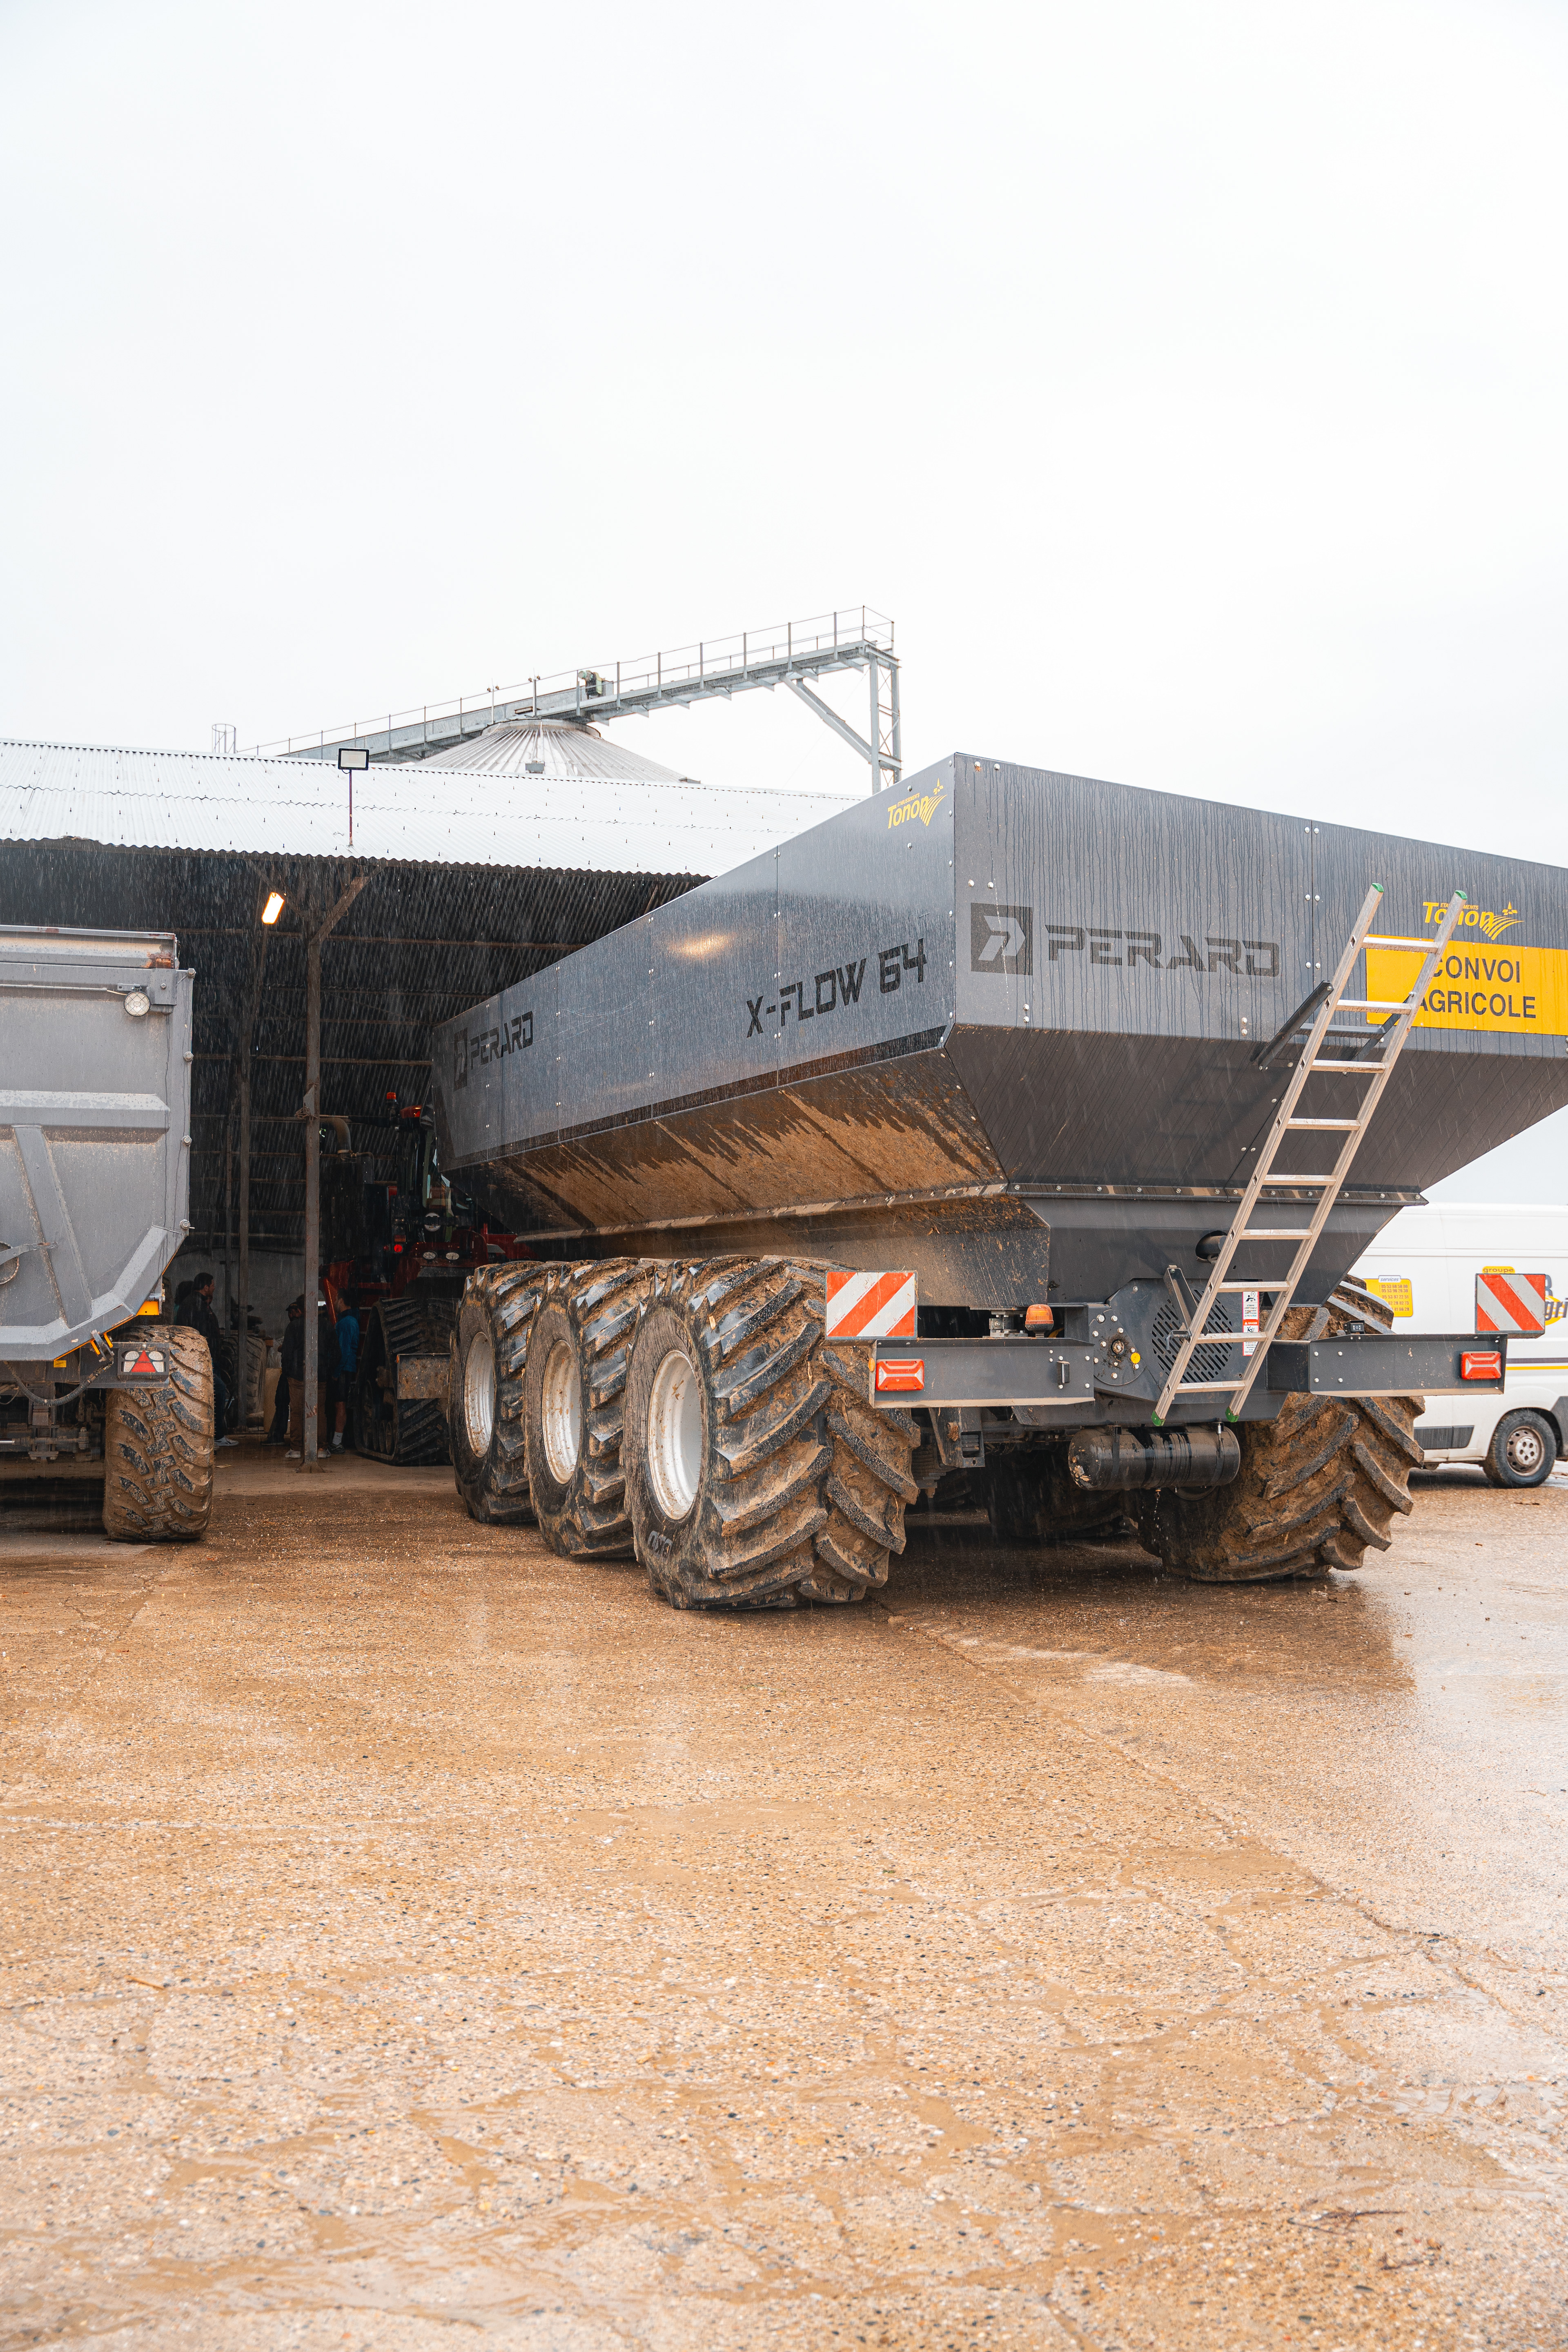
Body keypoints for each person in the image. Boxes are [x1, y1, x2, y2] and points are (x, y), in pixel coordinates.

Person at [175, 1272, 238, 1449]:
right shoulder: (197, 1305)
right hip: (200, 1361)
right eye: (212, 1285)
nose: (214, 1288)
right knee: (217, 1390)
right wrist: (204, 1360)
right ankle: (214, 1436)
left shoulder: (195, 1304)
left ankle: (210, 1436)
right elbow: (200, 1337)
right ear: (206, 1287)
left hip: (204, 1360)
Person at [286, 1293, 341, 1460]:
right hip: (320, 1376)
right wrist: (328, 1372)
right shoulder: (326, 1326)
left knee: (296, 1412)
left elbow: (287, 1354)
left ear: (300, 1309)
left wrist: (289, 1371)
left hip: (297, 1377)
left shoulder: (294, 1327)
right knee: (319, 1413)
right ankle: (321, 1448)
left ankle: (296, 1449)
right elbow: (337, 1354)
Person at [267, 1300, 303, 1443]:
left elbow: (288, 1349)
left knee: (282, 1402)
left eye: (293, 1312)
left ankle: (278, 1436)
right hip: (299, 1372)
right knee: (296, 1406)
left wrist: (283, 1349)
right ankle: (300, 1439)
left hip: (290, 1373)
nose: (291, 1315)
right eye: (290, 1312)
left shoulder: (293, 1327)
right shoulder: (308, 1326)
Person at [332, 1293, 360, 1453]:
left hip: (343, 1369)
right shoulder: (351, 1321)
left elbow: (343, 1351)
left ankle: (337, 1442)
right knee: (340, 1404)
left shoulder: (346, 1323)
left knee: (340, 1404)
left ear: (342, 1301)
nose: (335, 1302)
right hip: (346, 1368)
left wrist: (336, 1373)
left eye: (337, 1299)